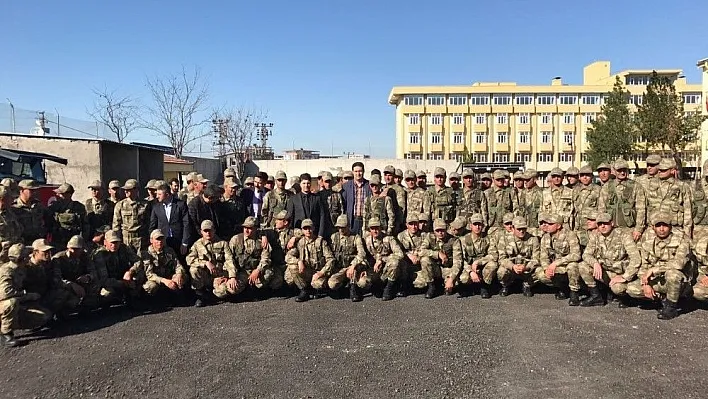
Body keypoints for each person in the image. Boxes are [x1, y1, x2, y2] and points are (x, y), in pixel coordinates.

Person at [625, 212, 690, 320]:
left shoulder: (682, 239)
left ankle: (671, 308)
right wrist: (645, 283)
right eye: (658, 226)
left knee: (672, 274)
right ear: (653, 227)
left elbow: (679, 263)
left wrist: (655, 269)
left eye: (665, 226)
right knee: (631, 289)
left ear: (670, 227)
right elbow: (642, 264)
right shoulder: (647, 241)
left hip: (679, 282)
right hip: (658, 281)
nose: (661, 229)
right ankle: (662, 299)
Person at [578, 212, 641, 308]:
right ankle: (596, 296)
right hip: (605, 271)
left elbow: (636, 258)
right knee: (583, 266)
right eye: (599, 224)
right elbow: (586, 254)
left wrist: (624, 277)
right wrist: (595, 263)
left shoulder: (623, 235)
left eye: (605, 223)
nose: (602, 226)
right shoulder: (596, 236)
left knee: (617, 288)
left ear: (612, 223)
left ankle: (627, 299)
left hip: (619, 273)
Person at [0, 243, 52, 347]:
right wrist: (28, 296)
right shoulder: (6, 271)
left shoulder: (22, 268)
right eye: (26, 256)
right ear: (21, 259)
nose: (29, 257)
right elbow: (6, 294)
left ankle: (14, 322)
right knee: (11, 302)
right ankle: (6, 334)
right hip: (5, 303)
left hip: (16, 303)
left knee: (44, 316)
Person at [187, 220, 240, 307]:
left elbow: (229, 260)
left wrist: (231, 277)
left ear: (214, 230)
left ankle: (214, 295)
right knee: (194, 269)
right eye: (205, 231)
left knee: (229, 290)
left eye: (210, 230)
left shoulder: (223, 244)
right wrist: (205, 263)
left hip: (219, 276)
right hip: (205, 277)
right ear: (201, 232)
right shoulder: (197, 245)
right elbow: (189, 259)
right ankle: (200, 296)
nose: (208, 233)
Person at [535, 214, 582, 306]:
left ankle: (574, 293)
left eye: (550, 224)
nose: (546, 226)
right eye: (546, 223)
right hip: (556, 268)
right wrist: (546, 269)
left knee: (572, 266)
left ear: (558, 226)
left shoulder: (570, 235)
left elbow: (576, 255)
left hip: (568, 265)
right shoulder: (545, 237)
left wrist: (556, 263)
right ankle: (563, 288)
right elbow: (544, 257)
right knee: (540, 274)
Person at [284, 219, 335, 302]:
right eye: (305, 228)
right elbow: (288, 257)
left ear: (314, 228)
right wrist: (299, 262)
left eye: (310, 228)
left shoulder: (321, 242)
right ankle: (304, 290)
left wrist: (321, 273)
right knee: (291, 270)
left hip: (318, 271)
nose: (308, 231)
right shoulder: (299, 243)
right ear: (302, 230)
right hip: (306, 270)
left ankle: (317, 290)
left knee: (317, 284)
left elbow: (331, 260)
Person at [229, 216, 282, 296]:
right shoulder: (235, 239)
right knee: (232, 289)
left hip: (257, 269)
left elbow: (266, 258)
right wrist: (232, 276)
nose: (246, 230)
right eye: (245, 227)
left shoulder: (262, 240)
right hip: (242, 271)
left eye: (250, 228)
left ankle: (259, 291)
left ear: (255, 229)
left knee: (272, 280)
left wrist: (258, 270)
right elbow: (229, 259)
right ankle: (245, 290)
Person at [598, 159, 647, 242]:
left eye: (624, 170)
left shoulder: (636, 186)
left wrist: (638, 229)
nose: (622, 173)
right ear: (614, 171)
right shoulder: (607, 187)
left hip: (630, 229)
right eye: (619, 170)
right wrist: (602, 227)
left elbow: (641, 209)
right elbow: (601, 209)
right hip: (611, 230)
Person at [92, 230, 142, 306]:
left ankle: (132, 297)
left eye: (116, 242)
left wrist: (130, 272)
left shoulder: (124, 248)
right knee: (106, 294)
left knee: (140, 275)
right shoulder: (100, 255)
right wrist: (123, 283)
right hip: (111, 283)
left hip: (125, 278)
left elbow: (138, 261)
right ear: (105, 242)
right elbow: (104, 280)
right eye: (112, 242)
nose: (114, 245)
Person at [140, 229, 189, 305]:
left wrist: (179, 275)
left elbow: (178, 266)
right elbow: (149, 274)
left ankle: (176, 297)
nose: (160, 241)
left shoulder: (169, 250)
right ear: (151, 240)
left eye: (161, 238)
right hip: (156, 280)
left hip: (169, 277)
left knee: (182, 277)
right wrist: (164, 281)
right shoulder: (146, 253)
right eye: (157, 239)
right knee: (150, 286)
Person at [418, 218, 464, 299]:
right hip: (435, 268)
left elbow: (458, 261)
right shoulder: (429, 237)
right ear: (434, 230)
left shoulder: (454, 241)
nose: (440, 233)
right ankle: (431, 286)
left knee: (457, 283)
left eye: (442, 230)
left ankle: (444, 284)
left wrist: (451, 278)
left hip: (448, 269)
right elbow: (421, 251)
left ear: (446, 229)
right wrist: (437, 254)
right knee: (424, 261)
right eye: (437, 230)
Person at [51, 235, 100, 309]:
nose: (73, 251)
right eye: (72, 248)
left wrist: (88, 277)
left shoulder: (85, 257)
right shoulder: (58, 258)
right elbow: (56, 280)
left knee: (95, 287)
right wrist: (71, 285)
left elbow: (94, 273)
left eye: (77, 249)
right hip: (65, 286)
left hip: (81, 284)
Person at [361, 218, 404, 301]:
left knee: (394, 263)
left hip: (386, 269)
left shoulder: (389, 239)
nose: (375, 231)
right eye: (372, 228)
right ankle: (376, 286)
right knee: (363, 283)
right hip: (373, 269)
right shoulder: (366, 240)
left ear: (381, 228)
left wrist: (382, 259)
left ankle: (389, 288)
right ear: (369, 230)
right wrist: (363, 268)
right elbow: (363, 256)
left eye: (377, 228)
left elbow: (400, 254)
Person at [497, 216, 540, 297]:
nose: (521, 231)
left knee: (539, 271)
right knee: (501, 272)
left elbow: (536, 259)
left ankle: (527, 285)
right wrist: (512, 266)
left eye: (523, 228)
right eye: (519, 229)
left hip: (527, 269)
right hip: (512, 269)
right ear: (513, 228)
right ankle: (506, 285)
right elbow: (502, 258)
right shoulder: (504, 239)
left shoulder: (533, 239)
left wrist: (526, 267)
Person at [328, 215, 367, 301]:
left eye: (343, 227)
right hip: (339, 268)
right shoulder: (333, 237)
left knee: (362, 281)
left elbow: (362, 253)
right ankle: (342, 285)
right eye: (339, 227)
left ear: (348, 226)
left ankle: (353, 288)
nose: (341, 230)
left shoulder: (355, 237)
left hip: (352, 267)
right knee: (332, 284)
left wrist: (352, 266)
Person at [458, 213, 495, 299]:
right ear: (471, 226)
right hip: (468, 267)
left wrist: (479, 262)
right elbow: (461, 259)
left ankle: (484, 287)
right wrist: (471, 271)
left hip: (482, 267)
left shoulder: (488, 239)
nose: (477, 227)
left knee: (493, 265)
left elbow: (493, 255)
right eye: (475, 224)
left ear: (482, 225)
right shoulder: (463, 240)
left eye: (479, 224)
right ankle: (470, 288)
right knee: (464, 278)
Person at [149, 183, 191, 257]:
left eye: (159, 194)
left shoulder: (180, 205)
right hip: (163, 241)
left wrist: (185, 243)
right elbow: (153, 225)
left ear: (167, 194)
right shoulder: (156, 207)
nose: (157, 196)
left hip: (178, 242)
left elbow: (186, 224)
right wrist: (153, 241)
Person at [113, 179, 150, 254]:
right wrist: (117, 241)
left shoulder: (145, 205)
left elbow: (149, 223)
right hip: (126, 239)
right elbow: (116, 225)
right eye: (125, 189)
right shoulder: (120, 205)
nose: (126, 191)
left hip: (141, 238)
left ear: (136, 190)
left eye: (129, 190)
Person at [13, 179, 48, 245]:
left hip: (38, 242)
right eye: (31, 190)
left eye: (35, 190)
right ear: (21, 190)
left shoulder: (38, 205)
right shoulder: (14, 207)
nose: (35, 192)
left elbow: (46, 220)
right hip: (22, 244)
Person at [341, 162, 372, 235]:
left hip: (365, 221)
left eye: (360, 171)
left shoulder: (369, 185)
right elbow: (343, 204)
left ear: (363, 171)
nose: (358, 173)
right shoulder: (346, 186)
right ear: (353, 172)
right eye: (356, 171)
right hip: (352, 221)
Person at [0, 186, 22, 262]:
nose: (13, 200)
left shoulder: (10, 212)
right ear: (2, 199)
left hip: (13, 255)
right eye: (10, 198)